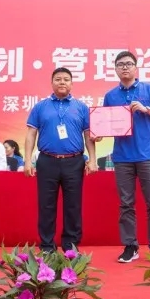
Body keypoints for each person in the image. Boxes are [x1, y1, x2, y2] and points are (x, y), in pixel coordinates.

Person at [97, 50, 150, 263]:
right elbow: (105, 123)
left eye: (129, 63)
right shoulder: (111, 96)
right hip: (122, 157)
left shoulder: (149, 89)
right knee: (126, 204)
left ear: (136, 67)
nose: (125, 67)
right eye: (120, 64)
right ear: (115, 69)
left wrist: (146, 109)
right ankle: (130, 246)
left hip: (148, 156)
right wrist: (97, 133)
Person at [24, 67, 97, 253]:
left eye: (66, 79)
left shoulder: (81, 107)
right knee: (46, 204)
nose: (62, 82)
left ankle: (70, 246)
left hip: (74, 162)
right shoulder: (40, 107)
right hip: (47, 161)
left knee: (73, 205)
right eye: (58, 79)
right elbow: (31, 134)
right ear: (52, 83)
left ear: (72, 84)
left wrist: (93, 159)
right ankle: (47, 246)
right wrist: (27, 160)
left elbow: (88, 135)